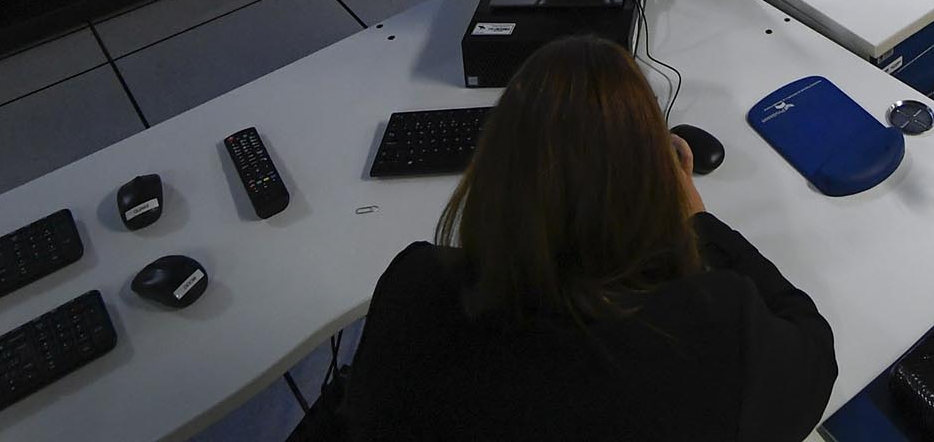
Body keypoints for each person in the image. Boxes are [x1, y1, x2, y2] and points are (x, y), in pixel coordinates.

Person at [339, 36, 835, 440]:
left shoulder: (415, 286)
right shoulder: (713, 328)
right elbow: (812, 344)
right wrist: (699, 222)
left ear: (492, 172)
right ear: (652, 183)